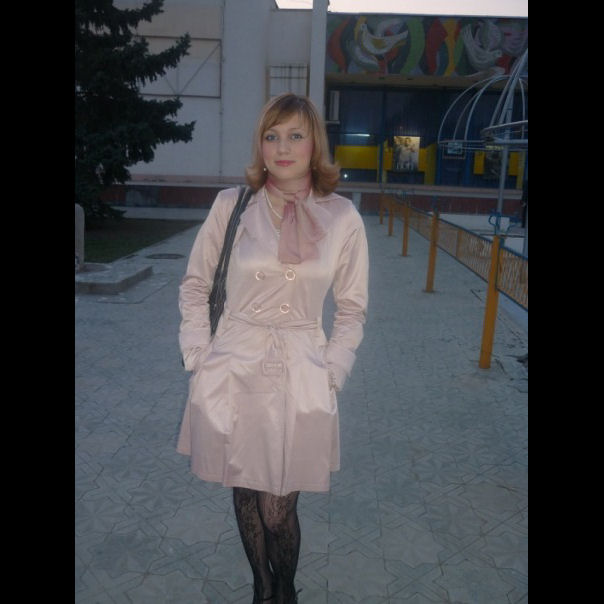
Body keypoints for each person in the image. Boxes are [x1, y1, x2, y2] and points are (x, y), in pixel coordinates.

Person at [176, 93, 369, 603]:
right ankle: (262, 588)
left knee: (278, 508)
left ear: (314, 144)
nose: (282, 148)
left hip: (300, 372)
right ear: (260, 145)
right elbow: (195, 286)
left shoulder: (343, 218)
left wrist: (333, 371)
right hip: (234, 366)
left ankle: (285, 588)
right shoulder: (231, 206)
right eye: (271, 136)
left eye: (295, 136)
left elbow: (352, 309)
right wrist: (198, 356)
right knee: (245, 489)